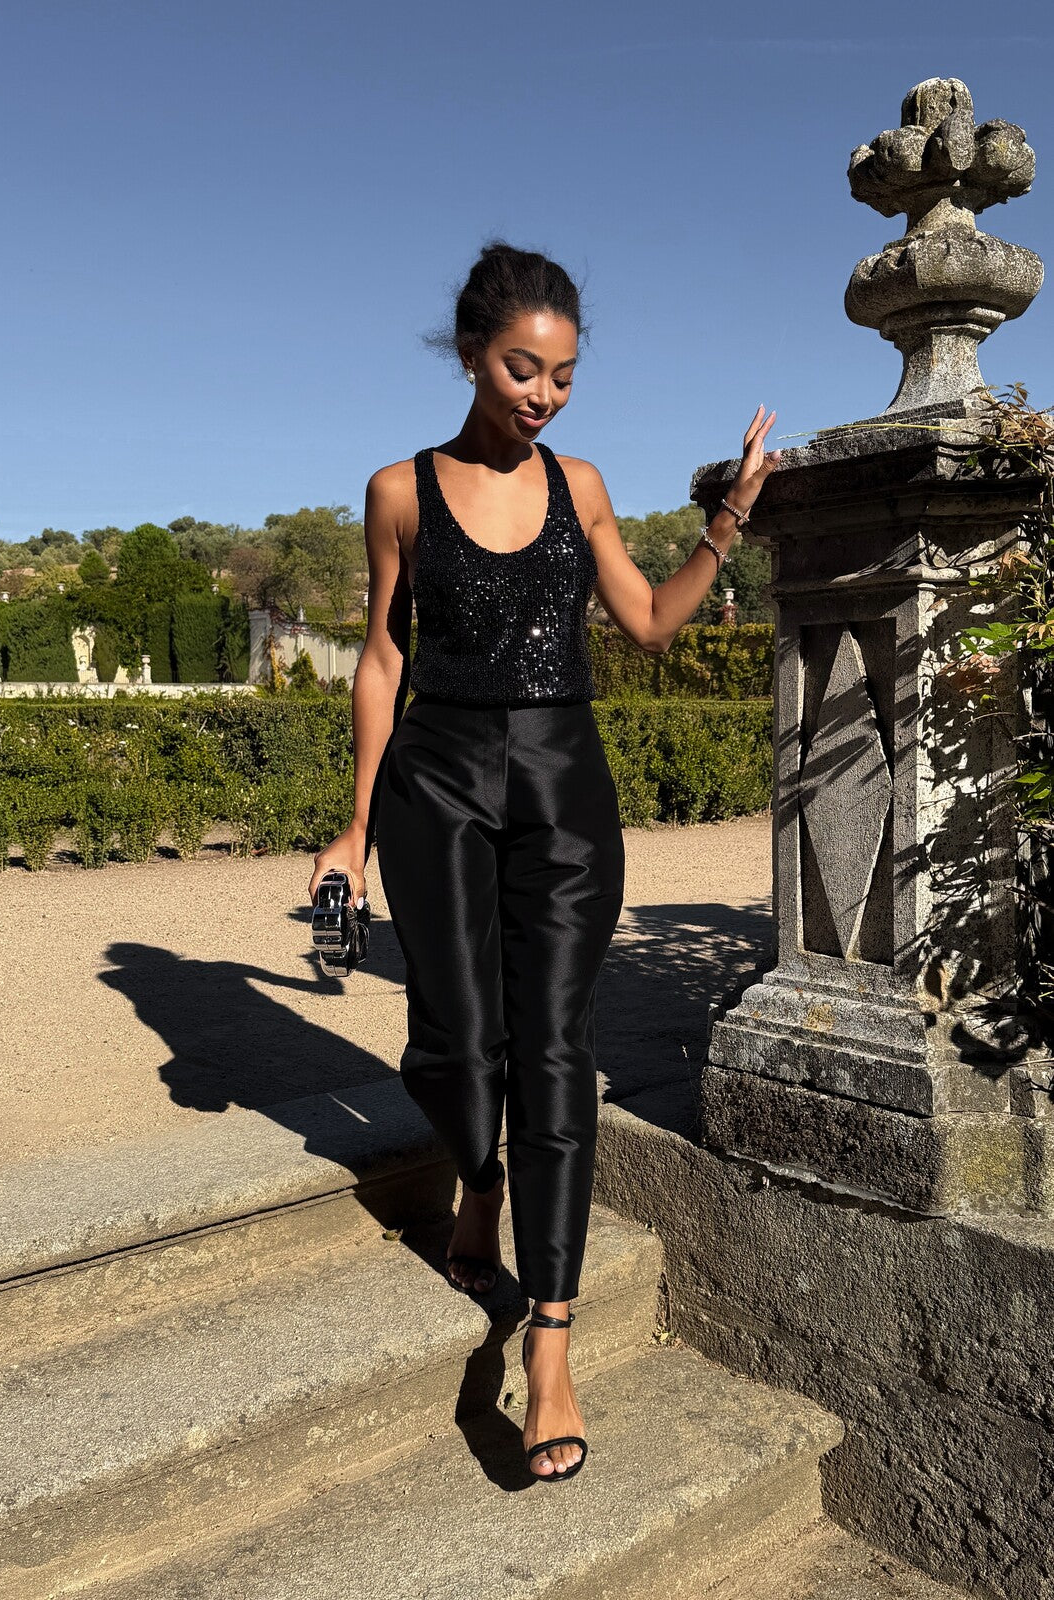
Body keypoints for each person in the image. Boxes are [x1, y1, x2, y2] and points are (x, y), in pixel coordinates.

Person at [308, 241, 780, 1483]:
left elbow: (649, 622)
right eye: (524, 368)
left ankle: (551, 1336)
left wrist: (727, 517)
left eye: (563, 376)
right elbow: (382, 660)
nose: (544, 395)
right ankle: (479, 1179)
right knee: (456, 1042)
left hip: (565, 788)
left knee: (557, 1047)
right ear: (472, 354)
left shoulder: (581, 485)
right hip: (437, 784)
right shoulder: (399, 490)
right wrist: (354, 829)